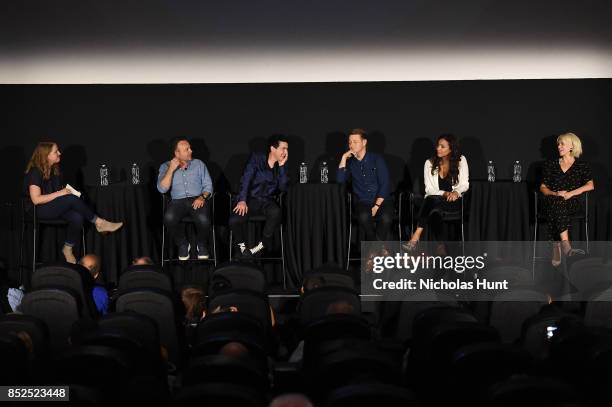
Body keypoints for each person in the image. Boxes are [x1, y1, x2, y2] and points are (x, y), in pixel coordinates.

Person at [24, 142, 123, 264]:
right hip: (36, 210)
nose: (59, 153)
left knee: (78, 216)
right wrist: (62, 194)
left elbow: (56, 193)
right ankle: (100, 223)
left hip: (51, 207)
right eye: (56, 152)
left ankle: (68, 248)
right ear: (46, 156)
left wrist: (68, 192)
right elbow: (36, 199)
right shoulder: (35, 172)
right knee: (70, 199)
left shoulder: (55, 171)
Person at [404, 134, 469, 249]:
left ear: (451, 148)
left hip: (453, 202)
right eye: (437, 145)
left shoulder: (461, 160)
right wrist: (444, 193)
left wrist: (456, 192)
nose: (438, 148)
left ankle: (416, 237)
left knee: (431, 203)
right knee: (434, 208)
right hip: (435, 202)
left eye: (442, 146)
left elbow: (464, 184)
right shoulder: (429, 163)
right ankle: (440, 246)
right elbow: (429, 189)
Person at [230, 135, 289, 257]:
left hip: (267, 201)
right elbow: (246, 179)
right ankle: (242, 248)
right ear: (273, 149)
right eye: (283, 148)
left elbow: (283, 187)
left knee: (276, 212)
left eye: (287, 149)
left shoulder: (280, 166)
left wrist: (282, 166)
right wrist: (242, 200)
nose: (285, 152)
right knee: (235, 219)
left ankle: (260, 246)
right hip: (250, 199)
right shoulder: (257, 159)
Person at [540, 132, 594, 266]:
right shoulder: (550, 165)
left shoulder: (582, 165)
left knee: (560, 205)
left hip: (572, 203)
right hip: (552, 200)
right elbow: (543, 187)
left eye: (562, 144)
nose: (559, 146)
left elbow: (590, 185)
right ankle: (566, 246)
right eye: (558, 144)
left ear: (572, 146)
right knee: (557, 202)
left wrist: (570, 194)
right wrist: (555, 193)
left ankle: (556, 247)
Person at [157, 138, 213, 261]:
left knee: (204, 220)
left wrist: (202, 197)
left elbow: (208, 186)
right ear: (177, 153)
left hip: (197, 199)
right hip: (177, 201)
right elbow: (162, 189)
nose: (191, 151)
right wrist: (171, 169)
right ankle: (183, 243)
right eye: (186, 149)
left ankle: (201, 244)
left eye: (190, 148)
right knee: (168, 219)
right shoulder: (165, 166)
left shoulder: (199, 164)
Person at [337, 128, 393, 241]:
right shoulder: (351, 162)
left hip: (381, 200)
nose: (351, 145)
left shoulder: (377, 159)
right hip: (363, 201)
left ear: (364, 142)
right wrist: (343, 158)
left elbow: (385, 183)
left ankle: (373, 252)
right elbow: (340, 180)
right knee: (363, 217)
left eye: (355, 142)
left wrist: (377, 206)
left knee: (386, 218)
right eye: (350, 142)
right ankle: (379, 248)